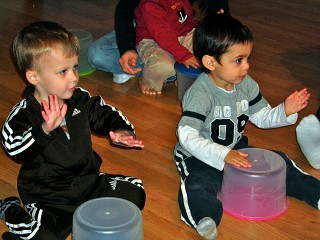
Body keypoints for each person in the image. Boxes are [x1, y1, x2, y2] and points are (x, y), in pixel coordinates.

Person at [173, 14, 320, 239]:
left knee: (282, 163)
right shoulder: (200, 94)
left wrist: (284, 111)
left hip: (237, 148)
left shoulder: (246, 84)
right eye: (238, 60)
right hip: (199, 155)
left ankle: (316, 193)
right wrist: (223, 155)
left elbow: (261, 116)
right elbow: (186, 135)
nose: (247, 67)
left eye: (248, 59)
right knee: (199, 183)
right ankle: (205, 218)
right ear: (210, 62)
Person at [0, 21, 146, 240]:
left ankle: (87, 206)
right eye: (63, 71)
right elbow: (14, 148)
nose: (74, 77)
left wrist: (120, 130)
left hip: (89, 182)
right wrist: (43, 130)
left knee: (136, 194)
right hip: (50, 197)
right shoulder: (23, 115)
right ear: (34, 77)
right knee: (43, 237)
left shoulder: (79, 97)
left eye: (75, 67)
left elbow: (102, 112)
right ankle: (11, 209)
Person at [88, 0, 230, 85]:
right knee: (97, 54)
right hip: (147, 30)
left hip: (178, 28)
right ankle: (160, 72)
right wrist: (127, 48)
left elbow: (188, 18)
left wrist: (216, 22)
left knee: (214, 45)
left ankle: (167, 69)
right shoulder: (150, 5)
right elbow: (125, 13)